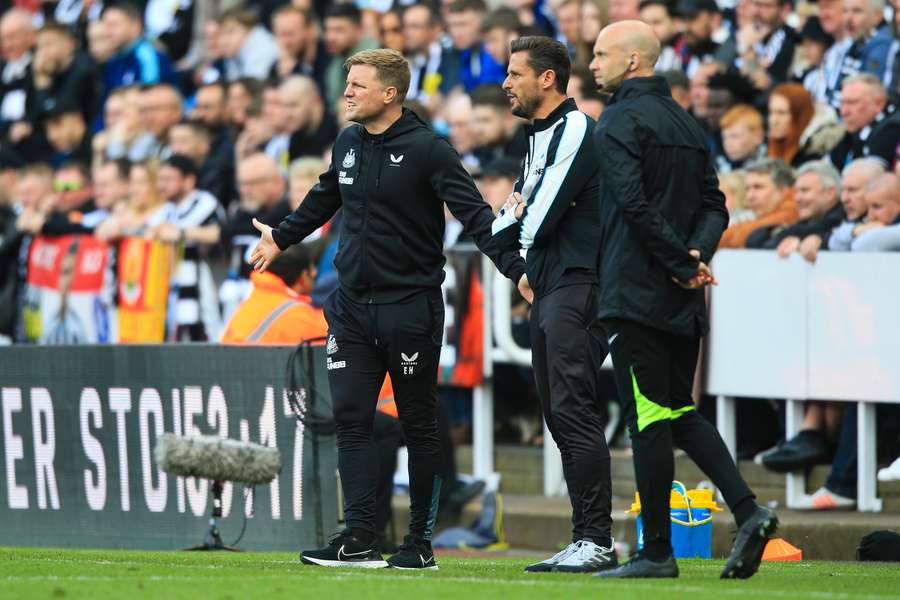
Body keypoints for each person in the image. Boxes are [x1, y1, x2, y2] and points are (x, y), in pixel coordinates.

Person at [249, 49, 526, 570]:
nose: (346, 92)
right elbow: (326, 193)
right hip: (351, 307)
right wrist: (283, 237)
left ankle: (419, 543)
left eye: (357, 85)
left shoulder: (430, 150)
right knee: (351, 420)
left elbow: (475, 216)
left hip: (409, 308)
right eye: (347, 82)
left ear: (389, 94)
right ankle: (358, 537)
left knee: (419, 423)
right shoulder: (349, 141)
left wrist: (518, 271)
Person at [589, 20, 777, 579]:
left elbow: (630, 202)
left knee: (648, 421)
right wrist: (694, 258)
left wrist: (679, 263)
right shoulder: (688, 123)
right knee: (678, 410)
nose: (592, 64)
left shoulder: (619, 118)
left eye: (601, 54)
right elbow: (716, 205)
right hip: (680, 294)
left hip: (638, 290)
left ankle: (656, 554)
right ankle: (749, 509)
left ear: (631, 63)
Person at [491, 36, 615, 574]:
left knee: (573, 409)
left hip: (578, 282)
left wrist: (518, 251)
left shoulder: (576, 129)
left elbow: (535, 216)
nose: (505, 84)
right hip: (550, 284)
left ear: (547, 78)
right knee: (558, 414)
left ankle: (597, 540)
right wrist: (520, 267)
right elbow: (505, 219)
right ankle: (583, 535)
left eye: (515, 73)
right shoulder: (538, 137)